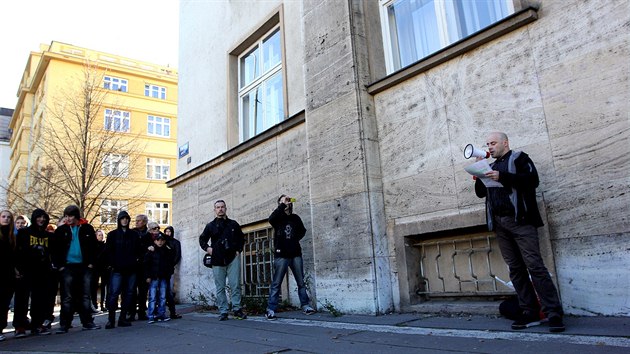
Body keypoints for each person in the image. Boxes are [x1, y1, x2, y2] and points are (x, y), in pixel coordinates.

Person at [474, 132, 565, 332]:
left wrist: (503, 176)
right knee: (515, 269)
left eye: (493, 143)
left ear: (505, 143)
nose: (490, 147)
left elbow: (532, 181)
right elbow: (481, 193)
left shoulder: (520, 158)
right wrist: (480, 172)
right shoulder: (491, 165)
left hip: (521, 221)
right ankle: (529, 312)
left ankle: (554, 313)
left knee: (535, 266)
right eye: (487, 144)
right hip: (500, 224)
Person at [265, 195, 315, 320]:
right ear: (280, 204)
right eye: (283, 201)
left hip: (295, 254)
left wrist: (293, 240)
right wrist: (282, 205)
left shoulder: (295, 218)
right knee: (277, 283)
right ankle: (270, 309)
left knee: (301, 281)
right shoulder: (278, 218)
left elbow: (302, 231)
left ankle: (305, 305)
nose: (287, 203)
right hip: (281, 254)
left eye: (288, 201)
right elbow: (271, 219)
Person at [52, 205, 101, 332]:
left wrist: (91, 263)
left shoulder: (87, 229)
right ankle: (65, 324)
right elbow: (55, 249)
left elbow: (94, 247)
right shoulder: (61, 230)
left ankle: (87, 322)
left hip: (84, 266)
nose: (68, 218)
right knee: (67, 296)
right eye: (66, 216)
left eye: (71, 216)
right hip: (67, 266)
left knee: (85, 295)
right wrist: (60, 266)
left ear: (76, 216)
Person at [198, 200, 247, 321]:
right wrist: (208, 248)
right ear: (214, 210)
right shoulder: (210, 226)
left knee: (235, 285)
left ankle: (237, 309)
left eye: (222, 207)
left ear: (226, 208)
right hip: (217, 259)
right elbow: (202, 239)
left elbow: (241, 238)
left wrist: (238, 250)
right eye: (218, 207)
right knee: (220, 287)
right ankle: (223, 311)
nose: (220, 209)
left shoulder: (233, 224)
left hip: (232, 258)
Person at [14, 209, 55, 336]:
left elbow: (52, 253)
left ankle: (37, 324)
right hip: (25, 271)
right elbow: (16, 252)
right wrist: (17, 269)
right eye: (39, 217)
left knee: (39, 300)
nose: (41, 219)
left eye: (44, 217)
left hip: (42, 272)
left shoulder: (48, 236)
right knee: (22, 299)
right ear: (34, 218)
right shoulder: (23, 233)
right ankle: (20, 326)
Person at [104, 211, 142, 329]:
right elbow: (108, 251)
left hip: (131, 269)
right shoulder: (112, 235)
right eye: (122, 219)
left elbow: (138, 250)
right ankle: (111, 320)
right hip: (117, 269)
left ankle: (123, 318)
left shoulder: (134, 235)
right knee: (114, 294)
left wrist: (136, 261)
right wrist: (112, 264)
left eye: (126, 218)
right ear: (119, 220)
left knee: (129, 294)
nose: (124, 220)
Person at [144, 232, 174, 323]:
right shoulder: (151, 251)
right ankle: (151, 315)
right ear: (155, 241)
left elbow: (170, 263)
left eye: (162, 240)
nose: (160, 242)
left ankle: (161, 314)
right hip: (154, 276)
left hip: (163, 276)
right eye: (158, 240)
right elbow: (146, 264)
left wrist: (169, 273)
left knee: (162, 296)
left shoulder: (167, 250)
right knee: (152, 297)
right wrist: (148, 276)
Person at [128, 214, 151, 321]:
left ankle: (142, 312)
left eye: (139, 221)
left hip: (144, 266)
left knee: (143, 291)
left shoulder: (149, 235)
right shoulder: (132, 233)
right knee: (132, 290)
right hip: (133, 265)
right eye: (136, 220)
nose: (136, 222)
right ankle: (131, 313)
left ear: (144, 222)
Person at [0, 210, 16, 342]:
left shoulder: (12, 236)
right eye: (3, 217)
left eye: (9, 217)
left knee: (5, 303)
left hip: (8, 273)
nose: (6, 219)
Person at [163, 226, 182, 319]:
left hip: (169, 268)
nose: (167, 233)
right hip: (161, 270)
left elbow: (177, 255)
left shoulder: (175, 242)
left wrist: (172, 264)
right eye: (166, 231)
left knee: (169, 290)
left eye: (169, 231)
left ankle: (172, 312)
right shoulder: (162, 241)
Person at [92, 229, 108, 312]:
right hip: (95, 268)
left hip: (104, 268)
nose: (100, 236)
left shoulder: (106, 245)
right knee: (94, 286)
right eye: (99, 235)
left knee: (104, 287)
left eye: (102, 235)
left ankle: (103, 304)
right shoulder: (93, 245)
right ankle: (94, 304)